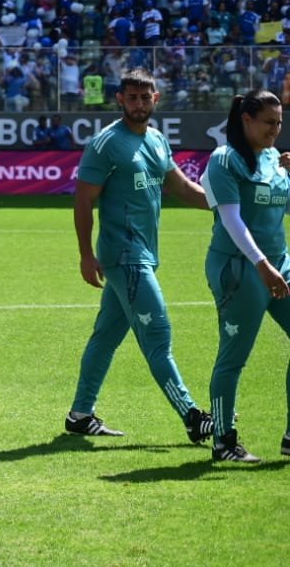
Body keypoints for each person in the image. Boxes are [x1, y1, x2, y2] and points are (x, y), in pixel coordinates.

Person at [63, 69, 215, 444]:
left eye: (145, 98)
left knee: (106, 336)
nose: (138, 104)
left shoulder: (158, 141)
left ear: (156, 99)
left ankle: (80, 414)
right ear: (120, 99)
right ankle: (193, 417)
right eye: (132, 98)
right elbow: (83, 199)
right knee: (158, 334)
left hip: (143, 253)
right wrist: (85, 253)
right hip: (124, 256)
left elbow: (182, 187)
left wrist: (225, 204)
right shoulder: (105, 144)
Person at [201, 90, 290, 463]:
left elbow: (275, 210)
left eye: (280, 123)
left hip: (279, 262)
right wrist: (262, 265)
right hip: (240, 267)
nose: (276, 129)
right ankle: (224, 440)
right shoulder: (224, 160)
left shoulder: (273, 159)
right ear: (246, 120)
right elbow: (232, 220)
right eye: (269, 122)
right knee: (234, 356)